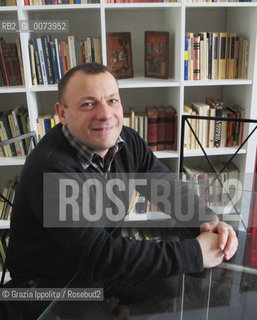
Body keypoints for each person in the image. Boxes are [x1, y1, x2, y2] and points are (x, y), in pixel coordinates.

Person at [5, 63, 238, 319]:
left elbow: (170, 191)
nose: (105, 114)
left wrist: (212, 222)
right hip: (48, 287)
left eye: (112, 100)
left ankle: (119, 310)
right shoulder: (50, 169)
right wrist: (194, 253)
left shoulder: (126, 141)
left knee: (173, 288)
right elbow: (99, 254)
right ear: (62, 113)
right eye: (88, 104)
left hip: (97, 273)